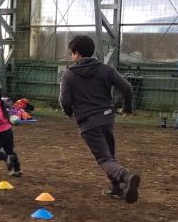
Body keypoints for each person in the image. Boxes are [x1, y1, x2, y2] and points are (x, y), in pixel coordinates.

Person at [59, 35, 141, 203]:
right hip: (107, 117)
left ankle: (126, 176)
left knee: (104, 159)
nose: (72, 56)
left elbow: (64, 101)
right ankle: (117, 188)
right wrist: (127, 108)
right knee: (109, 155)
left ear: (77, 54)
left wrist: (69, 113)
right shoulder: (105, 69)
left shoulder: (69, 74)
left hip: (88, 122)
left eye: (72, 53)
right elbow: (127, 87)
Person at [0, 84, 22, 177]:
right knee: (10, 150)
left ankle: (6, 158)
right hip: (8, 130)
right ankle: (17, 170)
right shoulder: (1, 103)